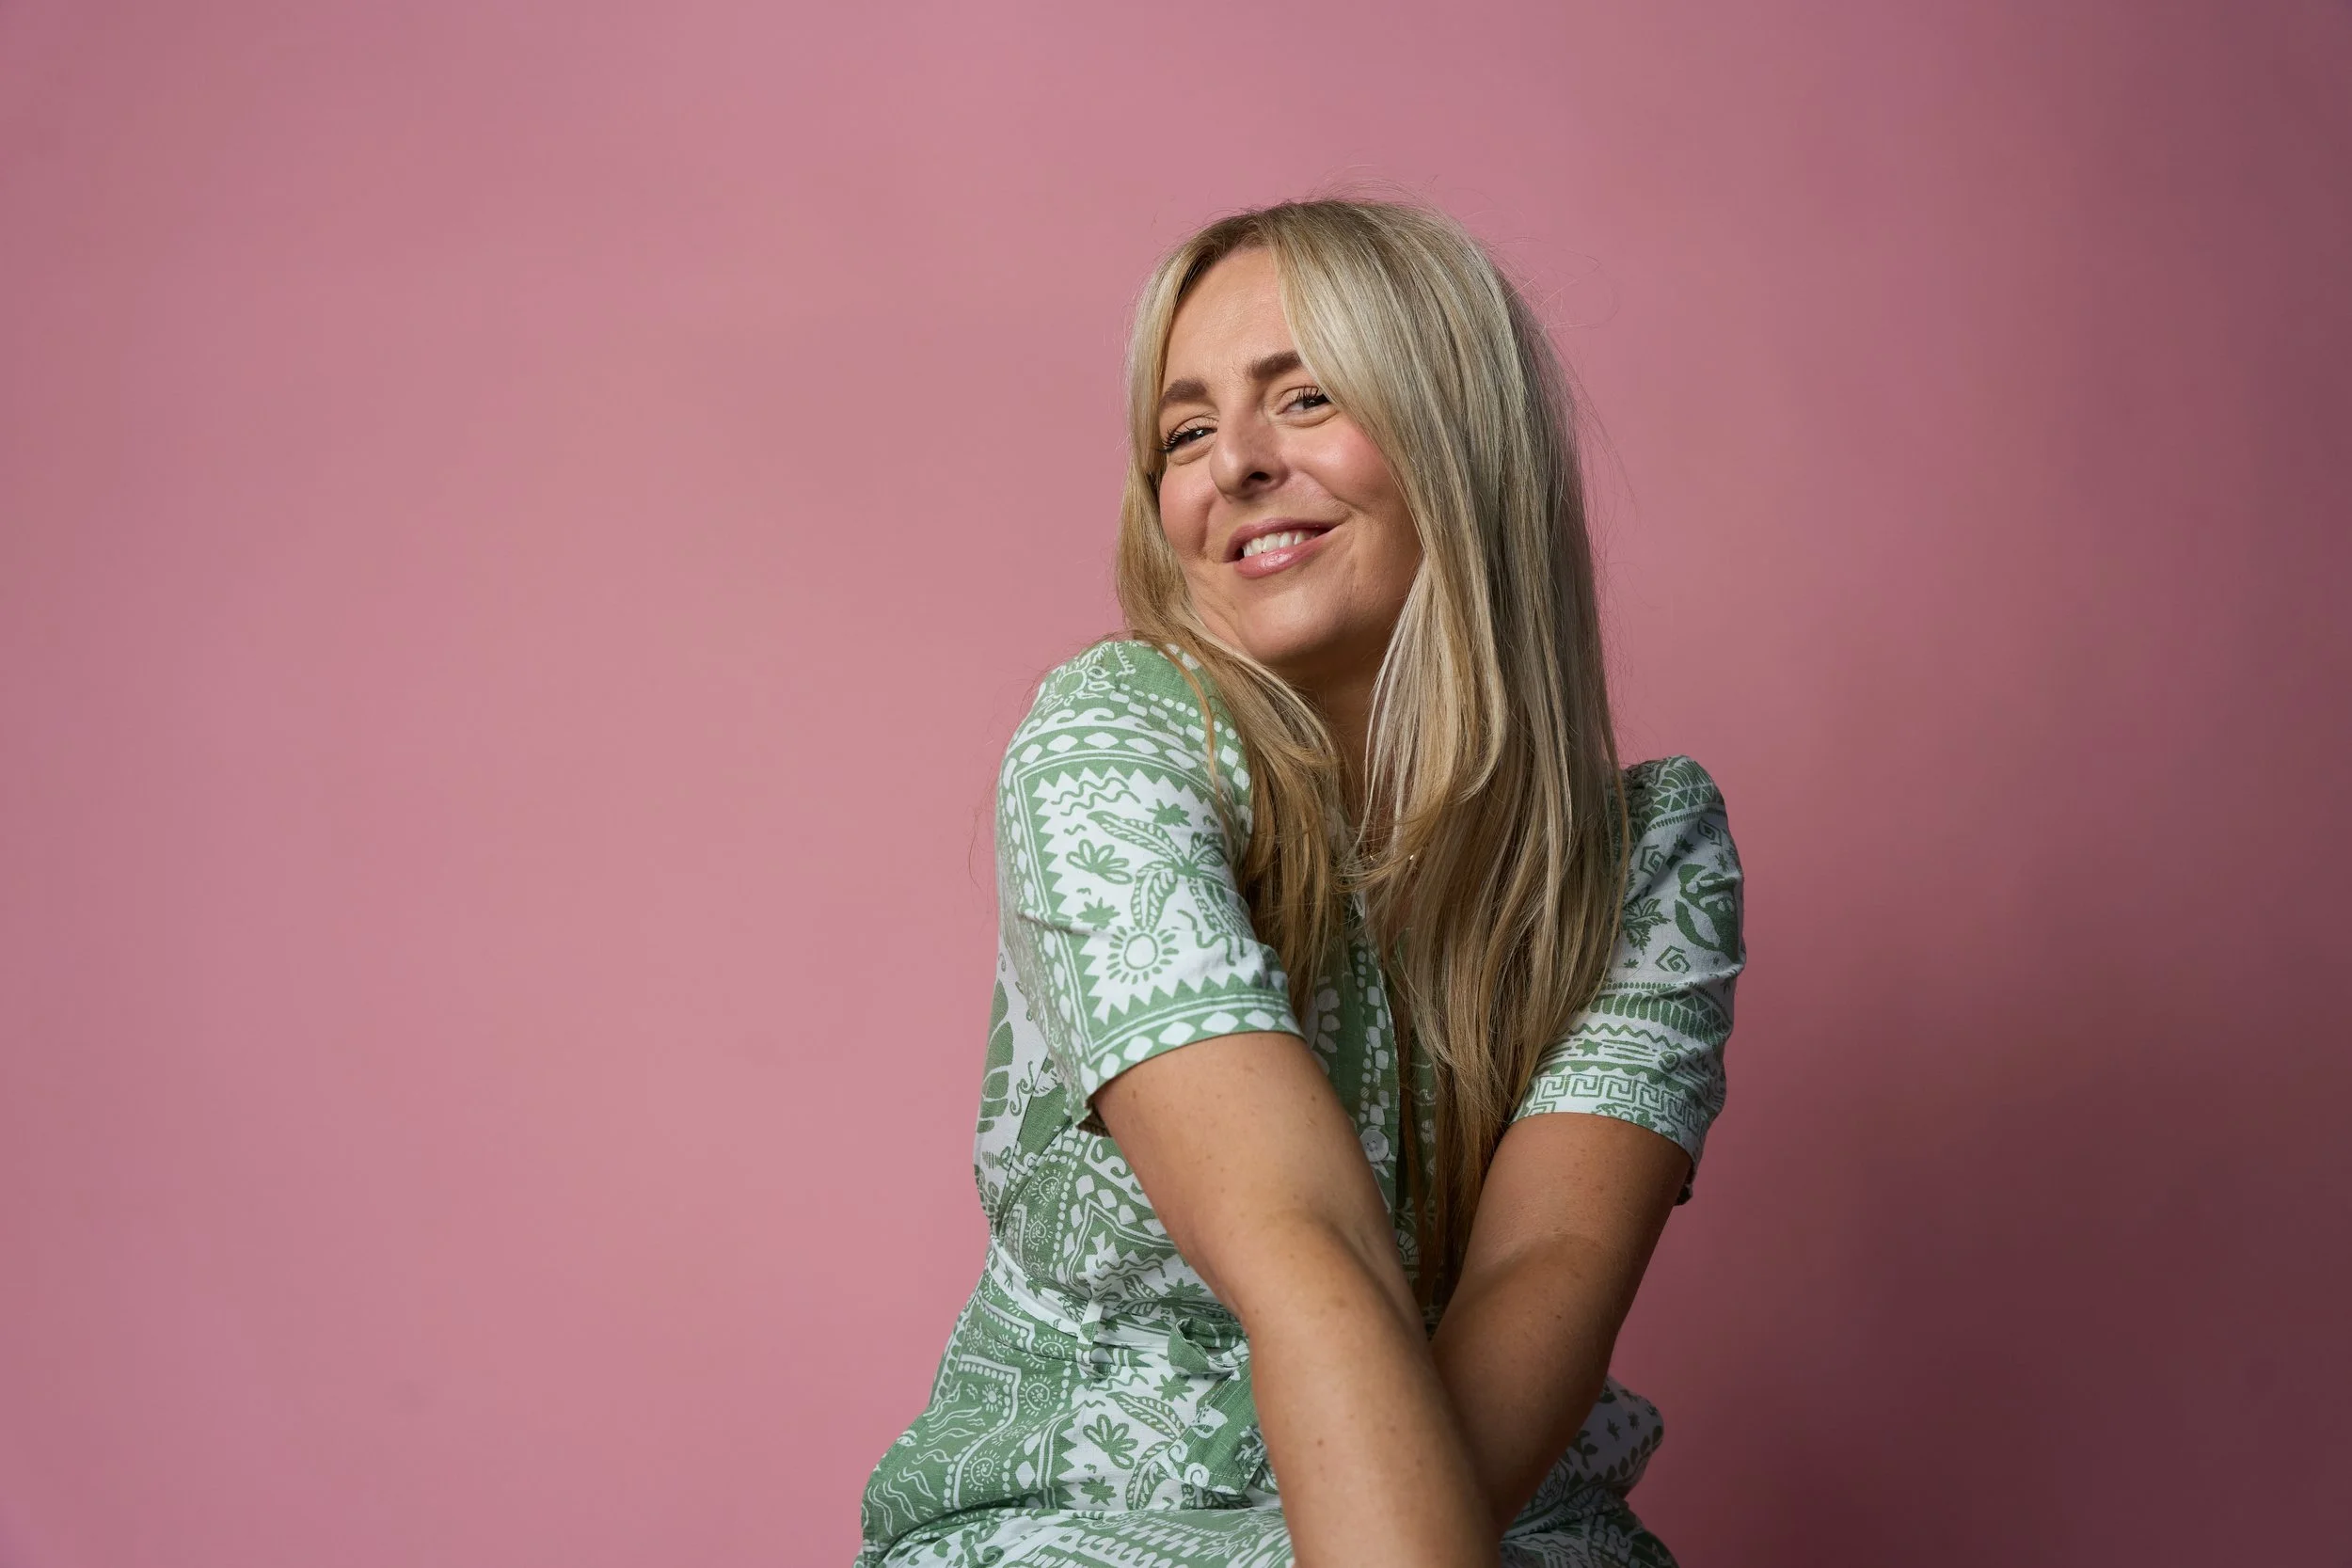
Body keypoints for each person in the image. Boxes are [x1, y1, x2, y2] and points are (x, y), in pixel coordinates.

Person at [855, 198, 1746, 1568]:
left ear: (1461, 435)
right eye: (1185, 433)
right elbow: (1300, 1243)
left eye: (1306, 397)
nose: (1236, 464)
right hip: (1088, 1528)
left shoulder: (1647, 861)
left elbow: (1542, 1277)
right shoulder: (1109, 746)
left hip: (1491, 1520)